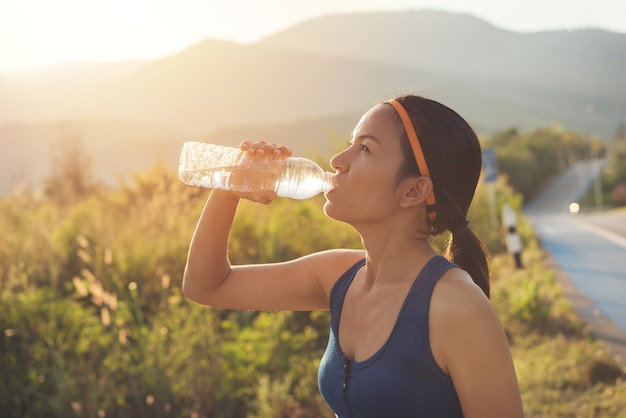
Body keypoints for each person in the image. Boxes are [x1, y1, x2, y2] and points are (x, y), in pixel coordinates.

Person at [182, 94, 524, 417]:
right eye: (350, 143)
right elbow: (207, 285)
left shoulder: (458, 307)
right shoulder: (338, 276)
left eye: (364, 149)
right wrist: (231, 184)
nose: (337, 161)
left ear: (413, 189)